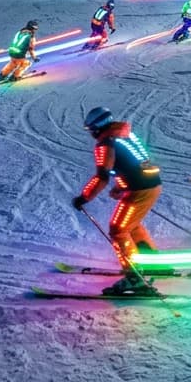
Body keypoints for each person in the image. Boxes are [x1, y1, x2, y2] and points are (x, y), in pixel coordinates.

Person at [72, 106, 163, 295]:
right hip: (150, 185)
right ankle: (153, 263)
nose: (91, 134)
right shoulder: (126, 135)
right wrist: (122, 185)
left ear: (97, 127)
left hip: (139, 189)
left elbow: (102, 176)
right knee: (131, 224)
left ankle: (134, 277)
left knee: (118, 230)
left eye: (90, 130)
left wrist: (84, 197)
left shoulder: (106, 143)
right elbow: (137, 162)